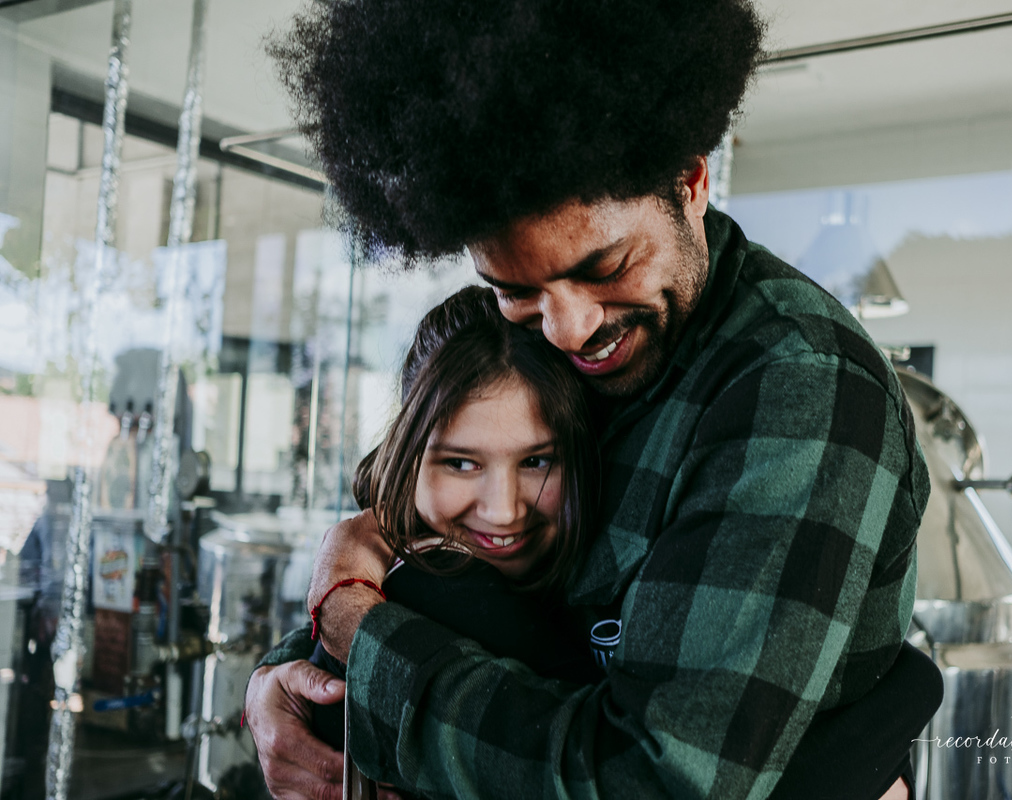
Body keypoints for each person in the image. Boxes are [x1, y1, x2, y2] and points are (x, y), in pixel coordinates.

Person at [245, 1, 937, 798]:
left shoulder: (799, 390)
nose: (569, 330)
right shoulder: (542, 346)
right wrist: (289, 678)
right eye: (517, 289)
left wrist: (362, 638)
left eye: (606, 266)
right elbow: (443, 572)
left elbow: (654, 781)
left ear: (690, 182)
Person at [307, 284, 605, 751]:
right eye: (461, 464)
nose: (503, 511)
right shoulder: (438, 594)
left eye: (537, 461)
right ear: (405, 457)